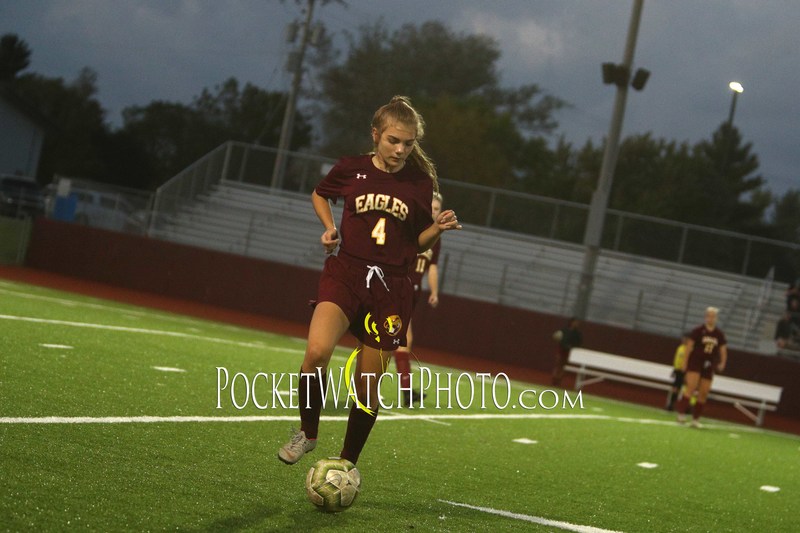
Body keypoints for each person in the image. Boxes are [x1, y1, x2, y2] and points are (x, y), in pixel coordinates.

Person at [278, 96, 462, 466]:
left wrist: (437, 230)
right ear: (376, 135)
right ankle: (308, 433)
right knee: (315, 353)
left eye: (409, 144)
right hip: (345, 273)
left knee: (367, 384)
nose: (401, 149)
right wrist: (330, 228)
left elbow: (418, 241)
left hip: (392, 288)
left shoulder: (419, 184)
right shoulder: (351, 168)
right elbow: (319, 194)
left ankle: (347, 463)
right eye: (394, 140)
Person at [394, 192, 443, 406]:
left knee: (401, 341)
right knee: (401, 341)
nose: (433, 211)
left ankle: (405, 391)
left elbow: (432, 267)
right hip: (400, 288)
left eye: (436, 209)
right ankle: (403, 391)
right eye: (430, 207)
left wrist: (434, 291)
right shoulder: (411, 227)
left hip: (413, 292)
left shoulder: (436, 236)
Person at [675, 307, 728, 428]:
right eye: (709, 316)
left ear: (716, 318)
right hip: (696, 362)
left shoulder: (719, 334)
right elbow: (689, 347)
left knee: (704, 392)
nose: (711, 318)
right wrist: (684, 362)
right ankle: (681, 415)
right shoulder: (698, 330)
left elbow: (723, 350)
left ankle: (695, 419)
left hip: (709, 364)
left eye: (713, 316)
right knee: (691, 387)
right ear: (705, 317)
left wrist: (722, 362)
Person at [551, 317, 582, 386]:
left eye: (577, 322)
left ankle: (558, 380)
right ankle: (554, 378)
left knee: (564, 366)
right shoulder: (564, 330)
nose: (576, 324)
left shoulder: (577, 334)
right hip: (561, 350)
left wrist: (572, 347)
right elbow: (559, 338)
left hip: (569, 352)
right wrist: (563, 344)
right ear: (571, 322)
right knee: (558, 364)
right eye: (575, 322)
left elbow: (578, 343)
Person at [666, 332, 691, 411]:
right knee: (676, 388)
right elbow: (677, 359)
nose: (683, 340)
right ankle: (671, 404)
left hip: (686, 371)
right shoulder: (680, 348)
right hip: (678, 371)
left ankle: (686, 407)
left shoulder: (689, 349)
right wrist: (675, 369)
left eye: (685, 339)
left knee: (686, 389)